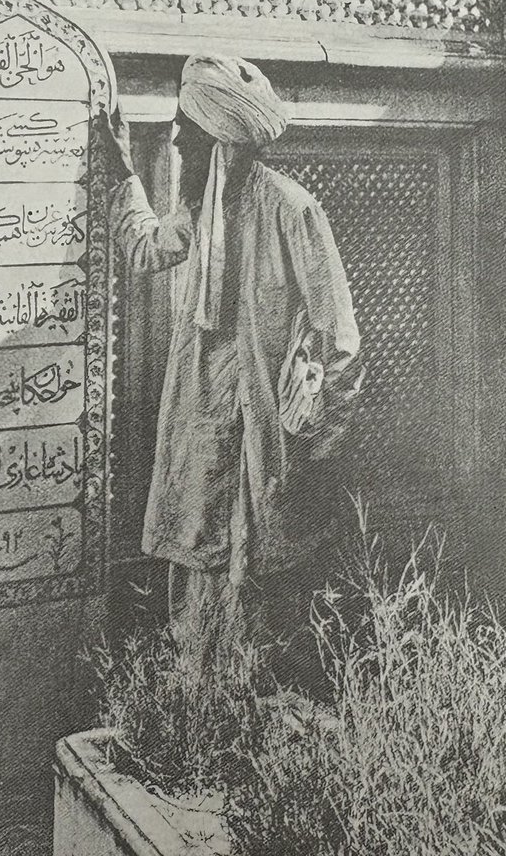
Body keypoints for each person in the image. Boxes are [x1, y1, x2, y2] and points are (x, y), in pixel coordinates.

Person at [103, 53, 364, 675]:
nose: (176, 147)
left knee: (257, 596)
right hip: (201, 427)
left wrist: (315, 438)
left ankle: (249, 731)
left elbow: (342, 340)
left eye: (185, 136)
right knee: (195, 572)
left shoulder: (290, 209)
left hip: (264, 444)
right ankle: (199, 720)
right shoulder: (202, 213)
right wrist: (118, 170)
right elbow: (144, 247)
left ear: (219, 143)